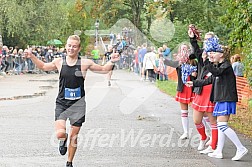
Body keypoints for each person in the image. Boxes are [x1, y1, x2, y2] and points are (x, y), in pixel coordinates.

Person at [24, 35, 119, 167]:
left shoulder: (84, 63)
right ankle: (63, 140)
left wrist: (112, 61)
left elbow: (103, 69)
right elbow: (44, 66)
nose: (71, 48)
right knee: (60, 133)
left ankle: (69, 162)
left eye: (74, 46)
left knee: (74, 136)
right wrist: (32, 56)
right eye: (69, 45)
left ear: (79, 48)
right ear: (66, 46)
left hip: (78, 105)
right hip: (62, 103)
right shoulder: (59, 62)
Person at [186, 37, 248, 161]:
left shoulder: (225, 66)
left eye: (214, 52)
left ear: (222, 54)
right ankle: (218, 151)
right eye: (210, 52)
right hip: (220, 99)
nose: (211, 54)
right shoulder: (219, 65)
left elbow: (216, 72)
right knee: (220, 126)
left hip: (226, 99)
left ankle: (241, 148)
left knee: (223, 125)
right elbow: (209, 80)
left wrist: (207, 61)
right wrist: (194, 83)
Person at [188, 28, 218, 153]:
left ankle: (214, 146)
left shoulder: (217, 55)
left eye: (209, 39)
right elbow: (195, 49)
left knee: (213, 120)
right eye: (205, 39)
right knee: (196, 120)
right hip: (200, 89)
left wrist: (208, 59)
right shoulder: (202, 54)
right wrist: (192, 38)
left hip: (211, 91)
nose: (206, 41)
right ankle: (203, 137)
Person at [163, 43, 197, 140]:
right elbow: (168, 62)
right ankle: (186, 132)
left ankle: (207, 132)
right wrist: (162, 58)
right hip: (183, 88)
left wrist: (195, 74)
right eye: (182, 50)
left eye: (186, 50)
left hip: (193, 87)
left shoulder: (194, 62)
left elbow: (200, 73)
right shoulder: (179, 63)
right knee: (184, 111)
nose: (184, 52)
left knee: (199, 112)